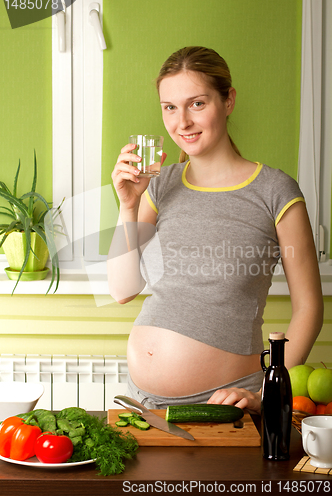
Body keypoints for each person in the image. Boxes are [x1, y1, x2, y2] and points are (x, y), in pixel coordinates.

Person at [108, 46, 323, 414]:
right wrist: (128, 205)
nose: (182, 122)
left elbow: (309, 308)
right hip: (142, 401)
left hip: (223, 404)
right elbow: (123, 290)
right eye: (170, 107)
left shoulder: (275, 191)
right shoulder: (160, 185)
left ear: (228, 101)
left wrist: (271, 394)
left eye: (197, 104)